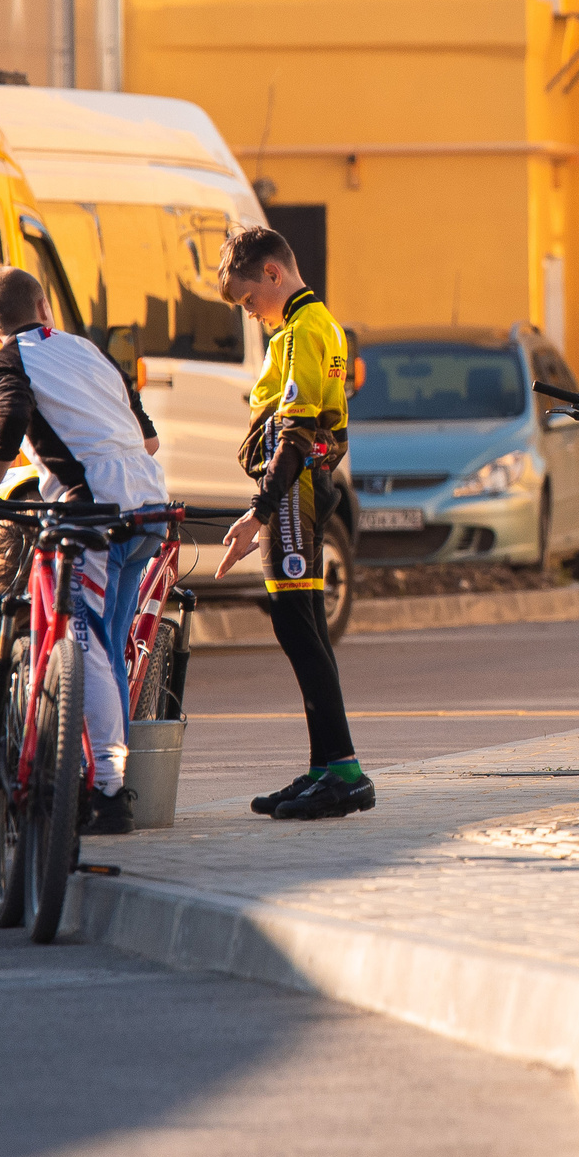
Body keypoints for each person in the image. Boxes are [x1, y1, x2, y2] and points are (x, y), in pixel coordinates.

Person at [0, 267, 167, 835]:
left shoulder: (5, 363)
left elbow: (13, 414)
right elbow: (146, 437)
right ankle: (114, 776)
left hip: (95, 510)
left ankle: (106, 794)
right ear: (46, 306)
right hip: (149, 503)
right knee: (110, 648)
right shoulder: (89, 351)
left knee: (86, 642)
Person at [212, 228, 373, 821]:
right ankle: (327, 767)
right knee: (304, 628)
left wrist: (260, 511)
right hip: (303, 490)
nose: (250, 314)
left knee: (297, 626)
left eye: (249, 301)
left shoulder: (304, 331)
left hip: (294, 493)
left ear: (273, 275)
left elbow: (296, 435)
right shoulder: (314, 326)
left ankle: (344, 770)